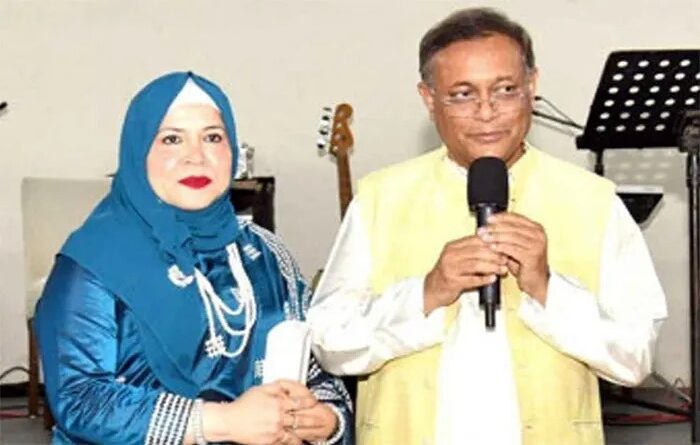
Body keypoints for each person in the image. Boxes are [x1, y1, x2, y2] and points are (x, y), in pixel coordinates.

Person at [307, 7, 667, 445]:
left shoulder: (594, 201)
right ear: (429, 99)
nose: (487, 112)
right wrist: (427, 293)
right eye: (462, 94)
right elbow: (329, 343)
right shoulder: (379, 198)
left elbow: (635, 357)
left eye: (505, 90)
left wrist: (545, 287)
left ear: (532, 86)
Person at [34, 71, 352, 445]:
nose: (196, 157)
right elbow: (81, 400)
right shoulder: (93, 263)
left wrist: (326, 420)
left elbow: (315, 366)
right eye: (172, 139)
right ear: (138, 153)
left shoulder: (265, 254)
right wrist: (223, 421)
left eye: (212, 137)